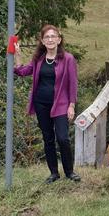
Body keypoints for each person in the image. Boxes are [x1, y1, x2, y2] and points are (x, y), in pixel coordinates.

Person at [14, 24, 81, 183]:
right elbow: (23, 72)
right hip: (41, 104)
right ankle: (54, 173)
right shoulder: (39, 59)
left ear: (59, 39)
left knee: (63, 138)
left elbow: (73, 83)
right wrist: (17, 56)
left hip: (61, 104)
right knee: (48, 138)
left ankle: (69, 172)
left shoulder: (68, 59)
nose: (50, 39)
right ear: (42, 41)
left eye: (53, 36)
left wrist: (71, 105)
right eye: (47, 37)